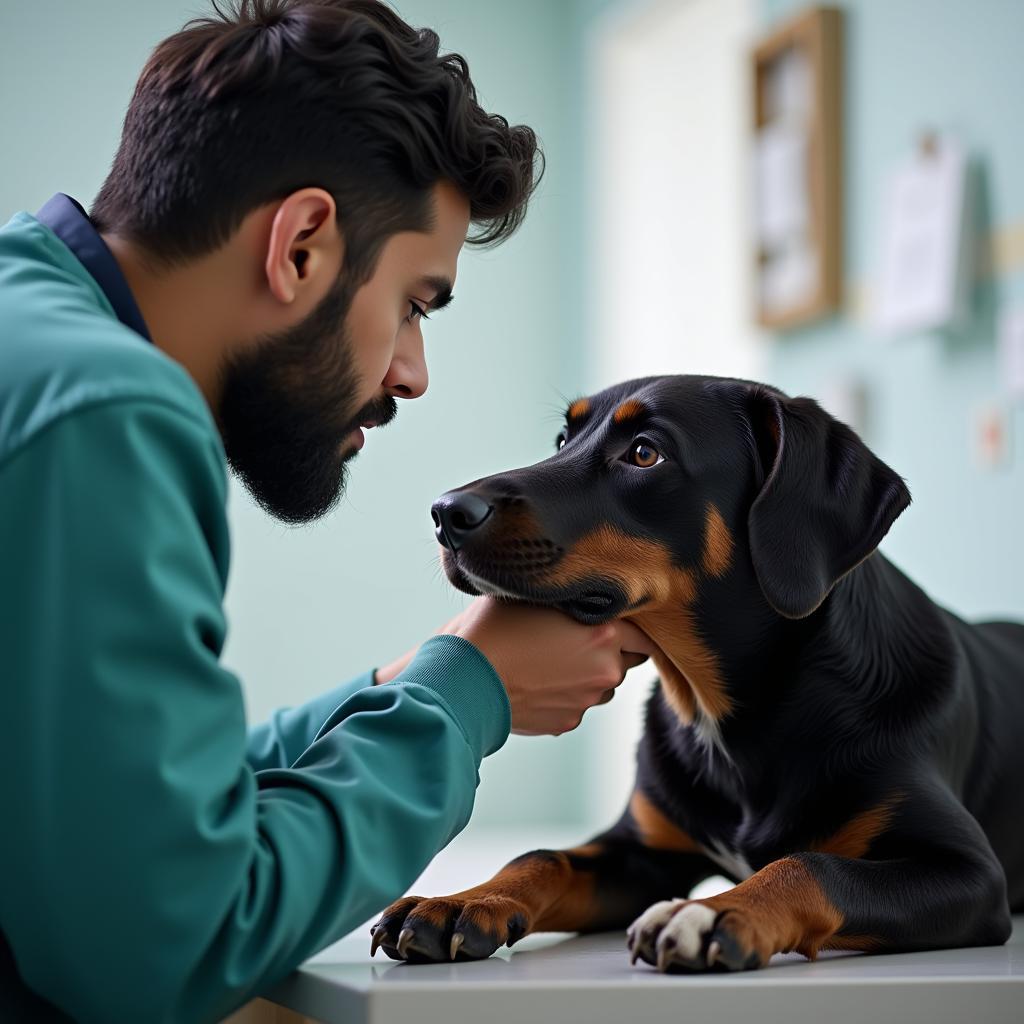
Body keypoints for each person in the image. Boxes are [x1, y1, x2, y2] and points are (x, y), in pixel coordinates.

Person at [0, 1, 654, 1020]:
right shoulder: (109, 411)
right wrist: (465, 696)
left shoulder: (29, 339)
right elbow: (166, 943)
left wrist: (404, 685)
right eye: (413, 304)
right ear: (302, 243)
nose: (412, 372)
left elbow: (110, 813)